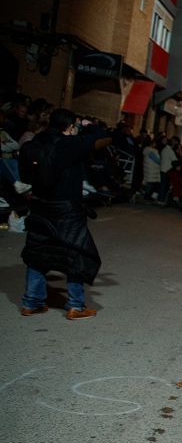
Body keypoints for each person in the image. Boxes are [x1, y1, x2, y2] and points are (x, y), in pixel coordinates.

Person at [18, 109, 110, 319]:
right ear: (69, 127)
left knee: (37, 253)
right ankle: (75, 306)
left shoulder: (36, 142)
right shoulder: (69, 144)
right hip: (66, 209)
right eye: (75, 126)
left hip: (40, 205)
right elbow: (103, 138)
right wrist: (89, 125)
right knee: (76, 253)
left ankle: (31, 302)